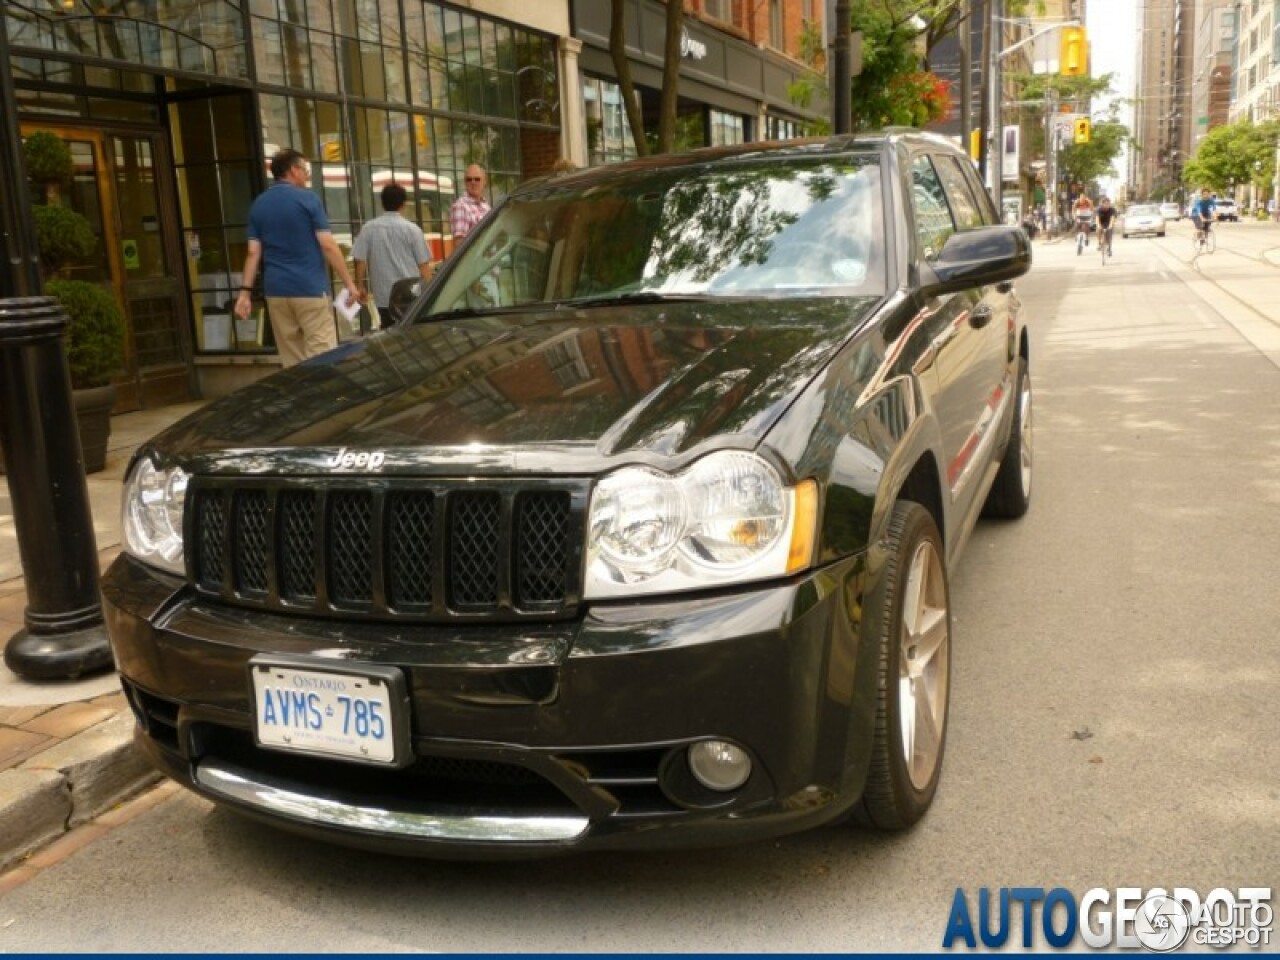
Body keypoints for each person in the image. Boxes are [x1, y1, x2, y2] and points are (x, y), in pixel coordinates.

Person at [235, 148, 361, 366]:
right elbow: (329, 246)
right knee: (322, 355)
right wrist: (349, 284)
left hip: (276, 291)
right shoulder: (308, 200)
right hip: (309, 289)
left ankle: (300, 399)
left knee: (292, 359)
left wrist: (245, 293)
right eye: (305, 170)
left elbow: (253, 253)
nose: (307, 175)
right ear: (293, 170)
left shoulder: (259, 204)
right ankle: (321, 399)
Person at [352, 183, 433, 329]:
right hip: (410, 294)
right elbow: (423, 265)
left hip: (383, 295)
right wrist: (430, 292)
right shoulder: (412, 230)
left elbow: (360, 260)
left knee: (388, 331)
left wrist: (360, 285)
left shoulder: (369, 228)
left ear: (382, 203)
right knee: (411, 332)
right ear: (403, 205)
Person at [449, 163, 491, 244]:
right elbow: (459, 244)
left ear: (484, 181)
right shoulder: (460, 206)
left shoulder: (486, 206)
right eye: (469, 179)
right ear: (465, 182)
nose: (473, 182)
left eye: (477, 179)